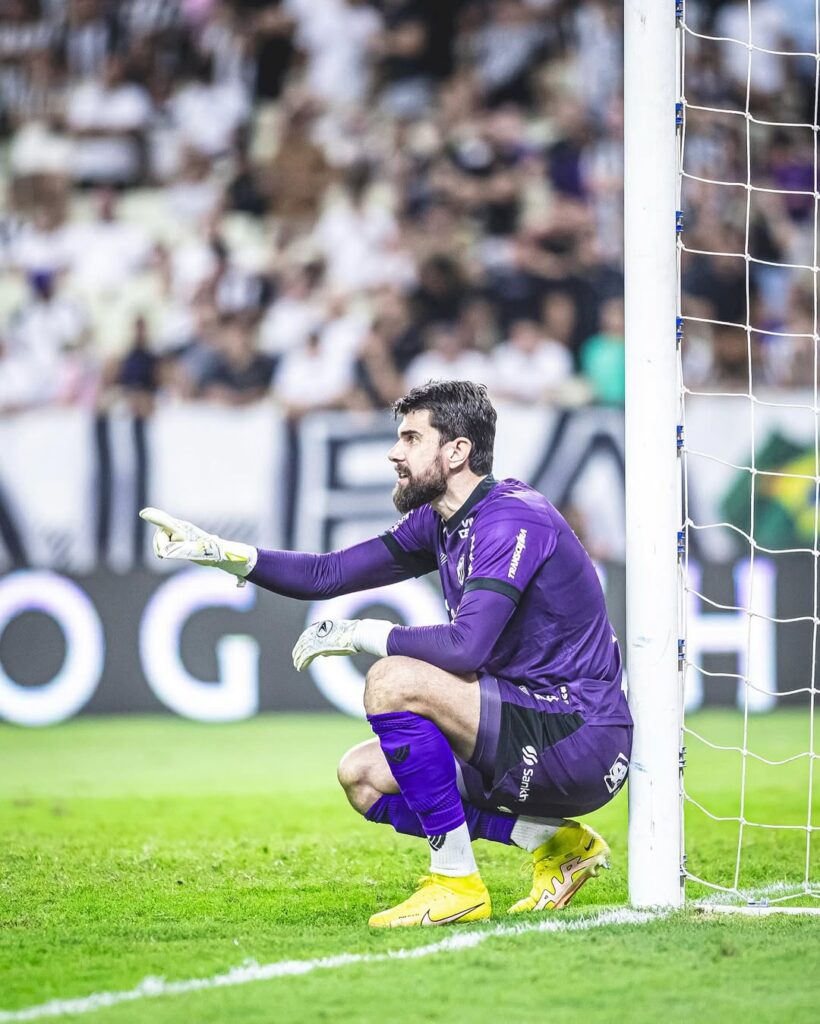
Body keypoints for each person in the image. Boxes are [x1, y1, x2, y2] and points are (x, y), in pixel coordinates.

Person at [139, 379, 632, 928]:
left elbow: (467, 647)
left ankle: (455, 883)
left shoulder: (513, 517)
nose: (395, 453)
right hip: (520, 728)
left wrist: (361, 634)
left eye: (411, 438)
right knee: (363, 775)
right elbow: (329, 573)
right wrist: (227, 555)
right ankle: (556, 843)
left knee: (392, 679)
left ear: (457, 451)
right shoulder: (442, 521)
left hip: (577, 735)